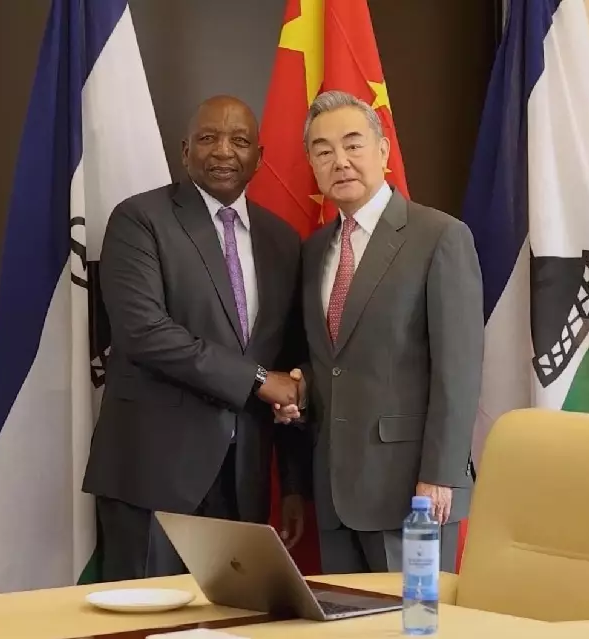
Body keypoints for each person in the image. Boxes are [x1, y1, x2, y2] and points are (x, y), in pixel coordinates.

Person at [82, 95, 310, 582]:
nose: (224, 151)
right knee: (149, 617)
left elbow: (288, 363)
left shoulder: (283, 241)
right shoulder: (140, 219)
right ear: (185, 152)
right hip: (153, 474)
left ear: (259, 158)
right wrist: (256, 379)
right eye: (209, 138)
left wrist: (293, 484)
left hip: (243, 479)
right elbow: (144, 333)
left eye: (239, 140)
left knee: (230, 614)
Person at [276, 90, 483, 574]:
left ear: (383, 150)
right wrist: (300, 390)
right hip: (334, 490)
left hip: (413, 492)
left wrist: (440, 476)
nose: (340, 161)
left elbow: (458, 370)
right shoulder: (314, 251)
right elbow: (334, 361)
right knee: (347, 615)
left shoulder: (439, 237)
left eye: (353, 144)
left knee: (414, 616)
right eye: (323, 151)